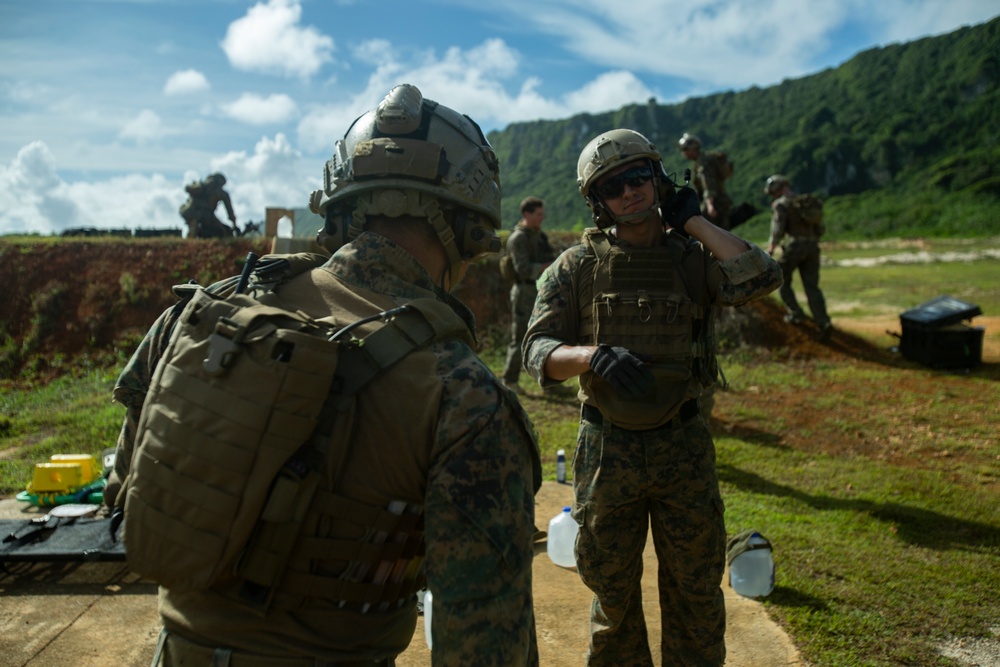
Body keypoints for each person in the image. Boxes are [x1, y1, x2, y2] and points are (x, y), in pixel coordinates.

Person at [106, 84, 542, 667]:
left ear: (338, 209)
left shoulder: (204, 315)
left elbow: (125, 492)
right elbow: (485, 647)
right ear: (469, 231)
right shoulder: (464, 396)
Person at [523, 129, 782, 666]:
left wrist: (692, 220)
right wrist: (591, 356)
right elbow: (536, 350)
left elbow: (761, 277)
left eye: (638, 177)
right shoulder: (577, 266)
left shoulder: (691, 257)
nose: (629, 192)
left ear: (658, 180)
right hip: (606, 451)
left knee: (695, 595)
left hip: (681, 446)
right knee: (613, 600)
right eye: (613, 185)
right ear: (598, 200)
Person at [764, 174, 833, 340]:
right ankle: (823, 322)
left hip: (794, 246)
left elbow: (778, 229)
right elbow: (820, 229)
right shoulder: (804, 201)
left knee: (780, 278)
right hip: (812, 246)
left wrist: (771, 247)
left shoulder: (781, 204)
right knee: (812, 287)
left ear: (776, 189)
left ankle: (796, 313)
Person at [500, 196, 554, 394]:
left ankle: (550, 382)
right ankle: (510, 380)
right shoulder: (519, 238)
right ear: (527, 214)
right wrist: (545, 267)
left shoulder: (539, 236)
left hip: (540, 290)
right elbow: (522, 269)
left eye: (542, 213)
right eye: (538, 214)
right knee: (520, 337)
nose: (542, 217)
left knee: (547, 335)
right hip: (524, 291)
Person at [678, 133, 734, 230]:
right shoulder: (701, 162)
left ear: (693, 149)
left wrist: (710, 205)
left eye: (685, 150)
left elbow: (709, 184)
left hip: (715, 203)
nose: (683, 153)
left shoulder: (703, 163)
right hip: (720, 202)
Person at [179, 172, 238, 238]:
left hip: (187, 211)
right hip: (205, 215)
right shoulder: (221, 193)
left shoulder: (200, 186)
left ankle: (194, 229)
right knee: (223, 232)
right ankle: (197, 230)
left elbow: (187, 188)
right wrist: (234, 224)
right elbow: (229, 211)